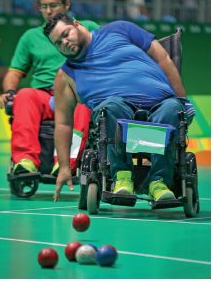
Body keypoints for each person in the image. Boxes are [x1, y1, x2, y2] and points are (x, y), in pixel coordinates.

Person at [44, 13, 195, 202]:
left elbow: (163, 57)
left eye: (66, 34)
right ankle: (122, 179)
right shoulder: (65, 76)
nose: (64, 42)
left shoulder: (120, 29)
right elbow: (64, 124)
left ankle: (159, 183)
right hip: (115, 116)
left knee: (172, 108)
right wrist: (65, 167)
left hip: (162, 106)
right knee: (110, 107)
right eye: (58, 43)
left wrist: (182, 100)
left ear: (77, 24)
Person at [0, 0, 100, 178]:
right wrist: (10, 91)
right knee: (24, 94)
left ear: (67, 4)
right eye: (43, 6)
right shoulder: (30, 36)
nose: (48, 11)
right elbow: (14, 72)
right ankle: (25, 161)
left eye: (53, 5)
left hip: (75, 94)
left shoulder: (86, 26)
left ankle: (63, 164)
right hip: (44, 96)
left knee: (82, 103)